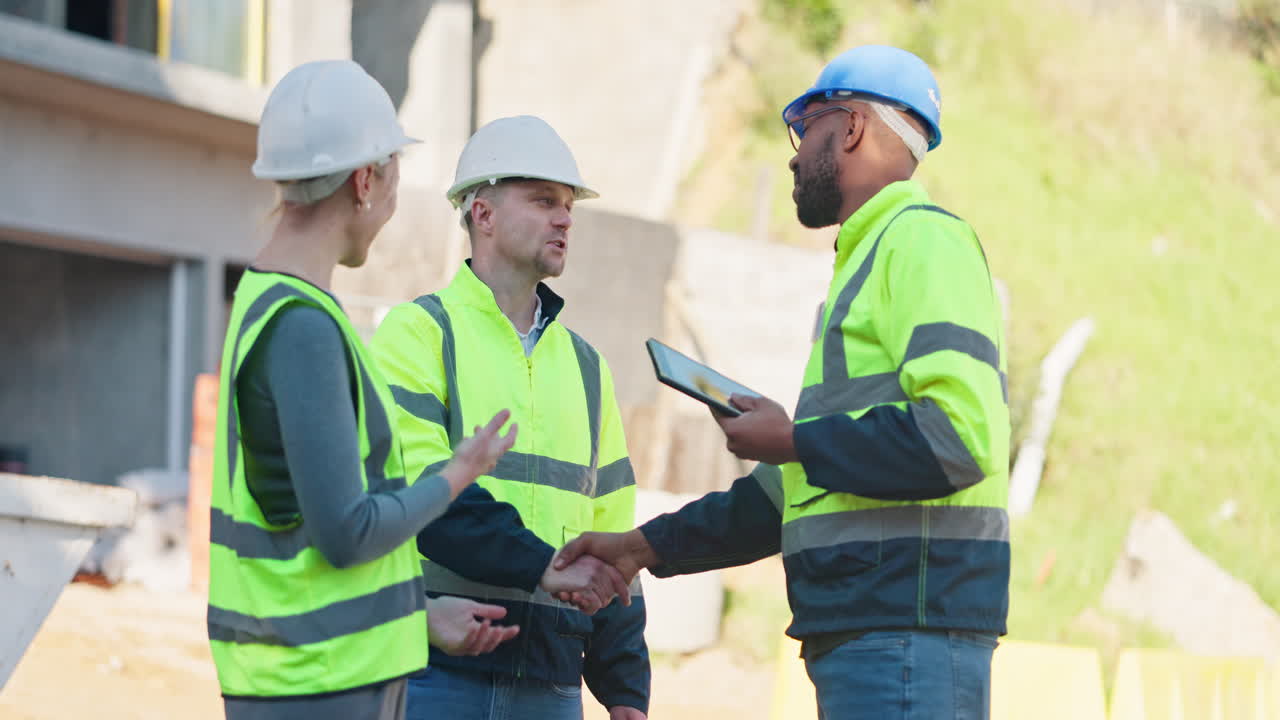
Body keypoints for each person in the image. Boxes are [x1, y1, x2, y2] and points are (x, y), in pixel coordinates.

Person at [555, 45, 1011, 720]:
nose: (795, 156)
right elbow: (792, 494)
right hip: (876, 637)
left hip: (906, 636)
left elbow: (958, 438)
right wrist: (640, 549)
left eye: (808, 129)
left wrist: (794, 439)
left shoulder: (922, 244)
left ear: (851, 128)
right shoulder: (869, 262)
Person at [207, 60, 521, 720]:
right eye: (396, 178)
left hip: (309, 674)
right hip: (317, 681)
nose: (392, 203)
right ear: (364, 179)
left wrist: (419, 615)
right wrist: (459, 474)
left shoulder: (273, 305)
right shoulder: (303, 328)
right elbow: (347, 533)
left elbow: (301, 523)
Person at [371, 115, 649, 720]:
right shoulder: (418, 335)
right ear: (483, 213)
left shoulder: (587, 368)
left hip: (552, 683)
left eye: (569, 204)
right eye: (543, 199)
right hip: (437, 673)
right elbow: (420, 494)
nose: (565, 218)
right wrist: (542, 568)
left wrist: (624, 687)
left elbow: (614, 533)